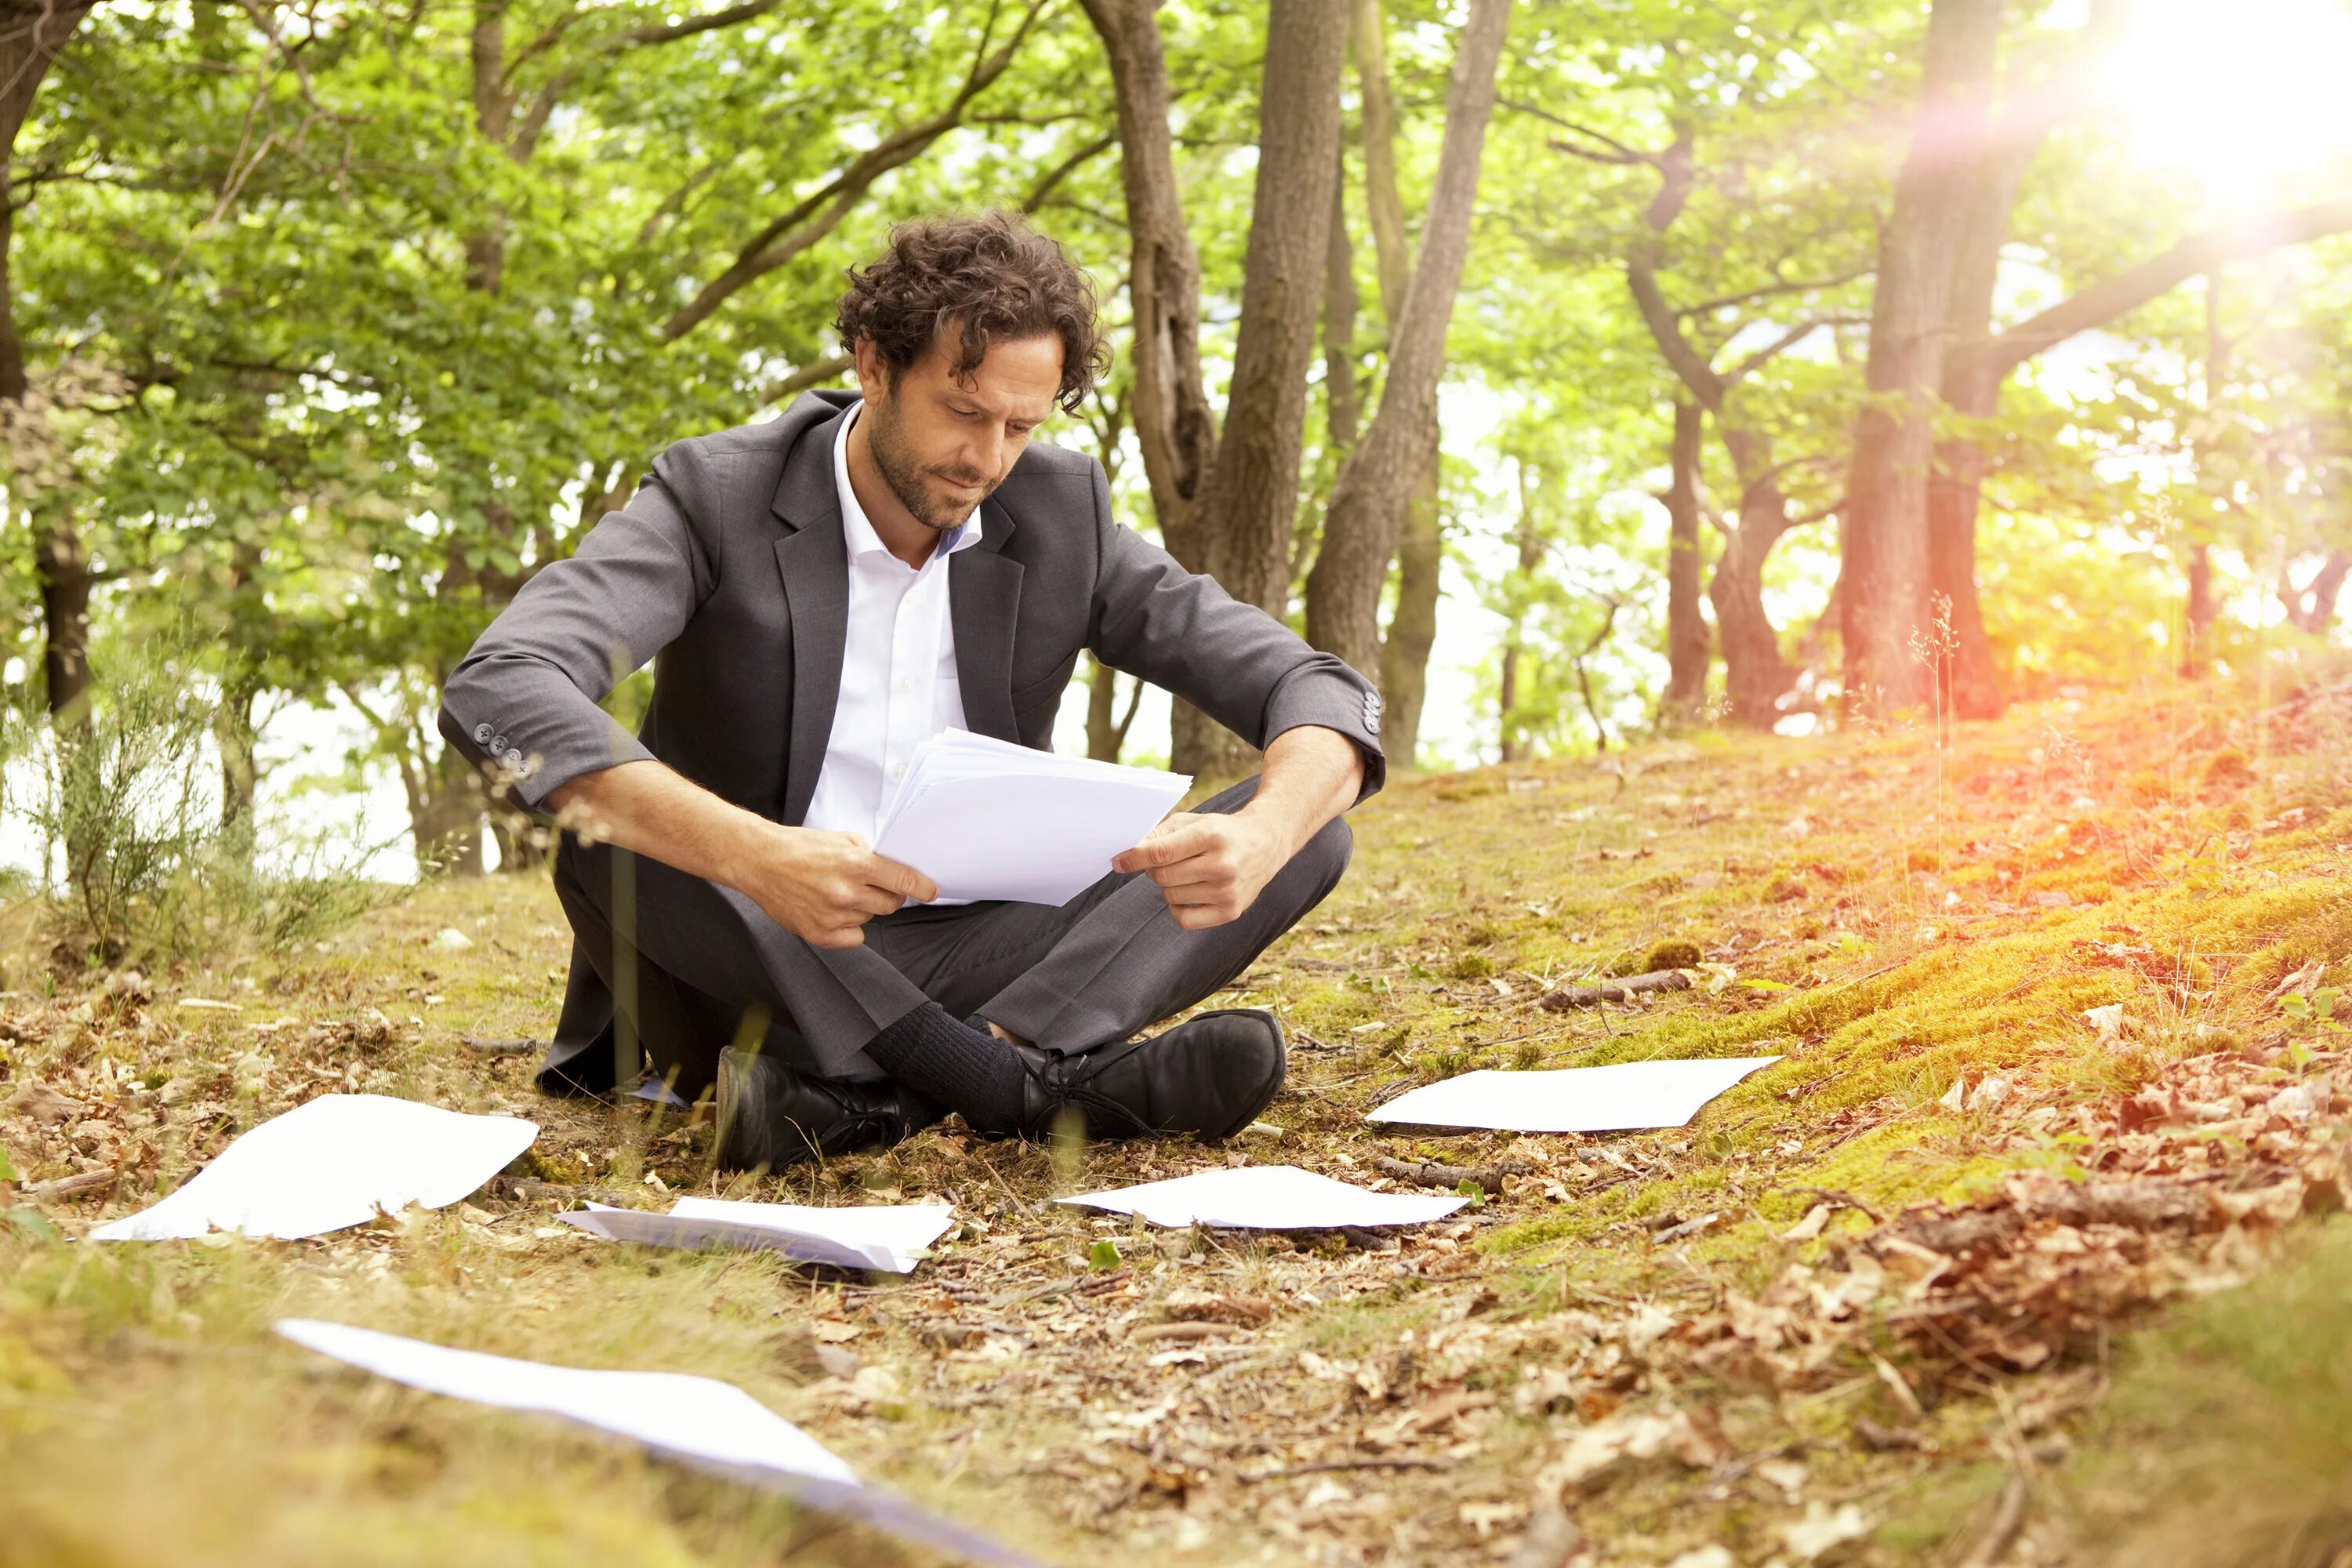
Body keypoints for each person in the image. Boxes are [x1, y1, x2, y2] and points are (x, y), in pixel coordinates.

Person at [438, 211, 1385, 1168]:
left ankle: (881, 1101)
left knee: (1308, 825)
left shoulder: (1061, 514)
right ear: (873, 365)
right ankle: (1017, 1088)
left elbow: (1309, 685)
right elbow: (505, 682)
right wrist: (761, 855)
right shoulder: (713, 497)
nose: (988, 460)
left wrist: (1261, 836)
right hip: (754, 951)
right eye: (964, 412)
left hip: (982, 946)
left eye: (1021, 425)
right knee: (607, 838)